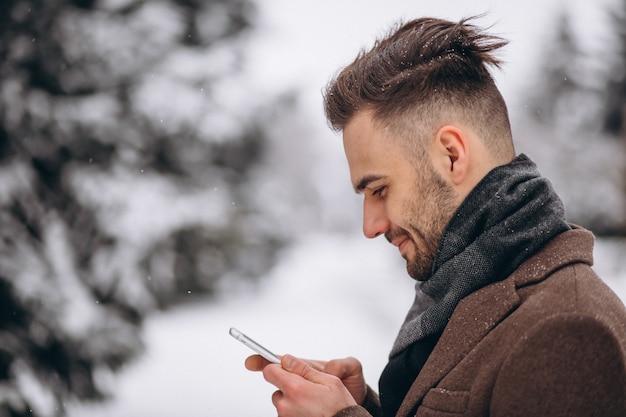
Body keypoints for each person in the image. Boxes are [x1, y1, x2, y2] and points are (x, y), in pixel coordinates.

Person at [244, 16, 626, 417]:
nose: (369, 226)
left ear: (451, 155)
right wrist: (367, 409)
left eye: (379, 190)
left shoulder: (567, 331)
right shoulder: (462, 293)